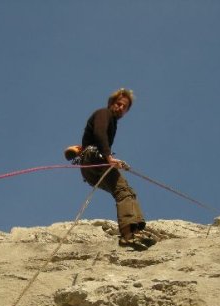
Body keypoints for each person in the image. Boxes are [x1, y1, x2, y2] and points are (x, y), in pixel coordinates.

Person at [65, 88, 154, 250]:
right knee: (124, 191)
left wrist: (108, 158)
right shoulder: (103, 114)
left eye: (124, 107)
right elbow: (99, 133)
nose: (120, 108)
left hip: (90, 167)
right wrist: (109, 157)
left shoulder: (112, 122)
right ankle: (129, 233)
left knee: (125, 191)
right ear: (111, 103)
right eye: (118, 104)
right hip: (95, 160)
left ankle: (134, 230)